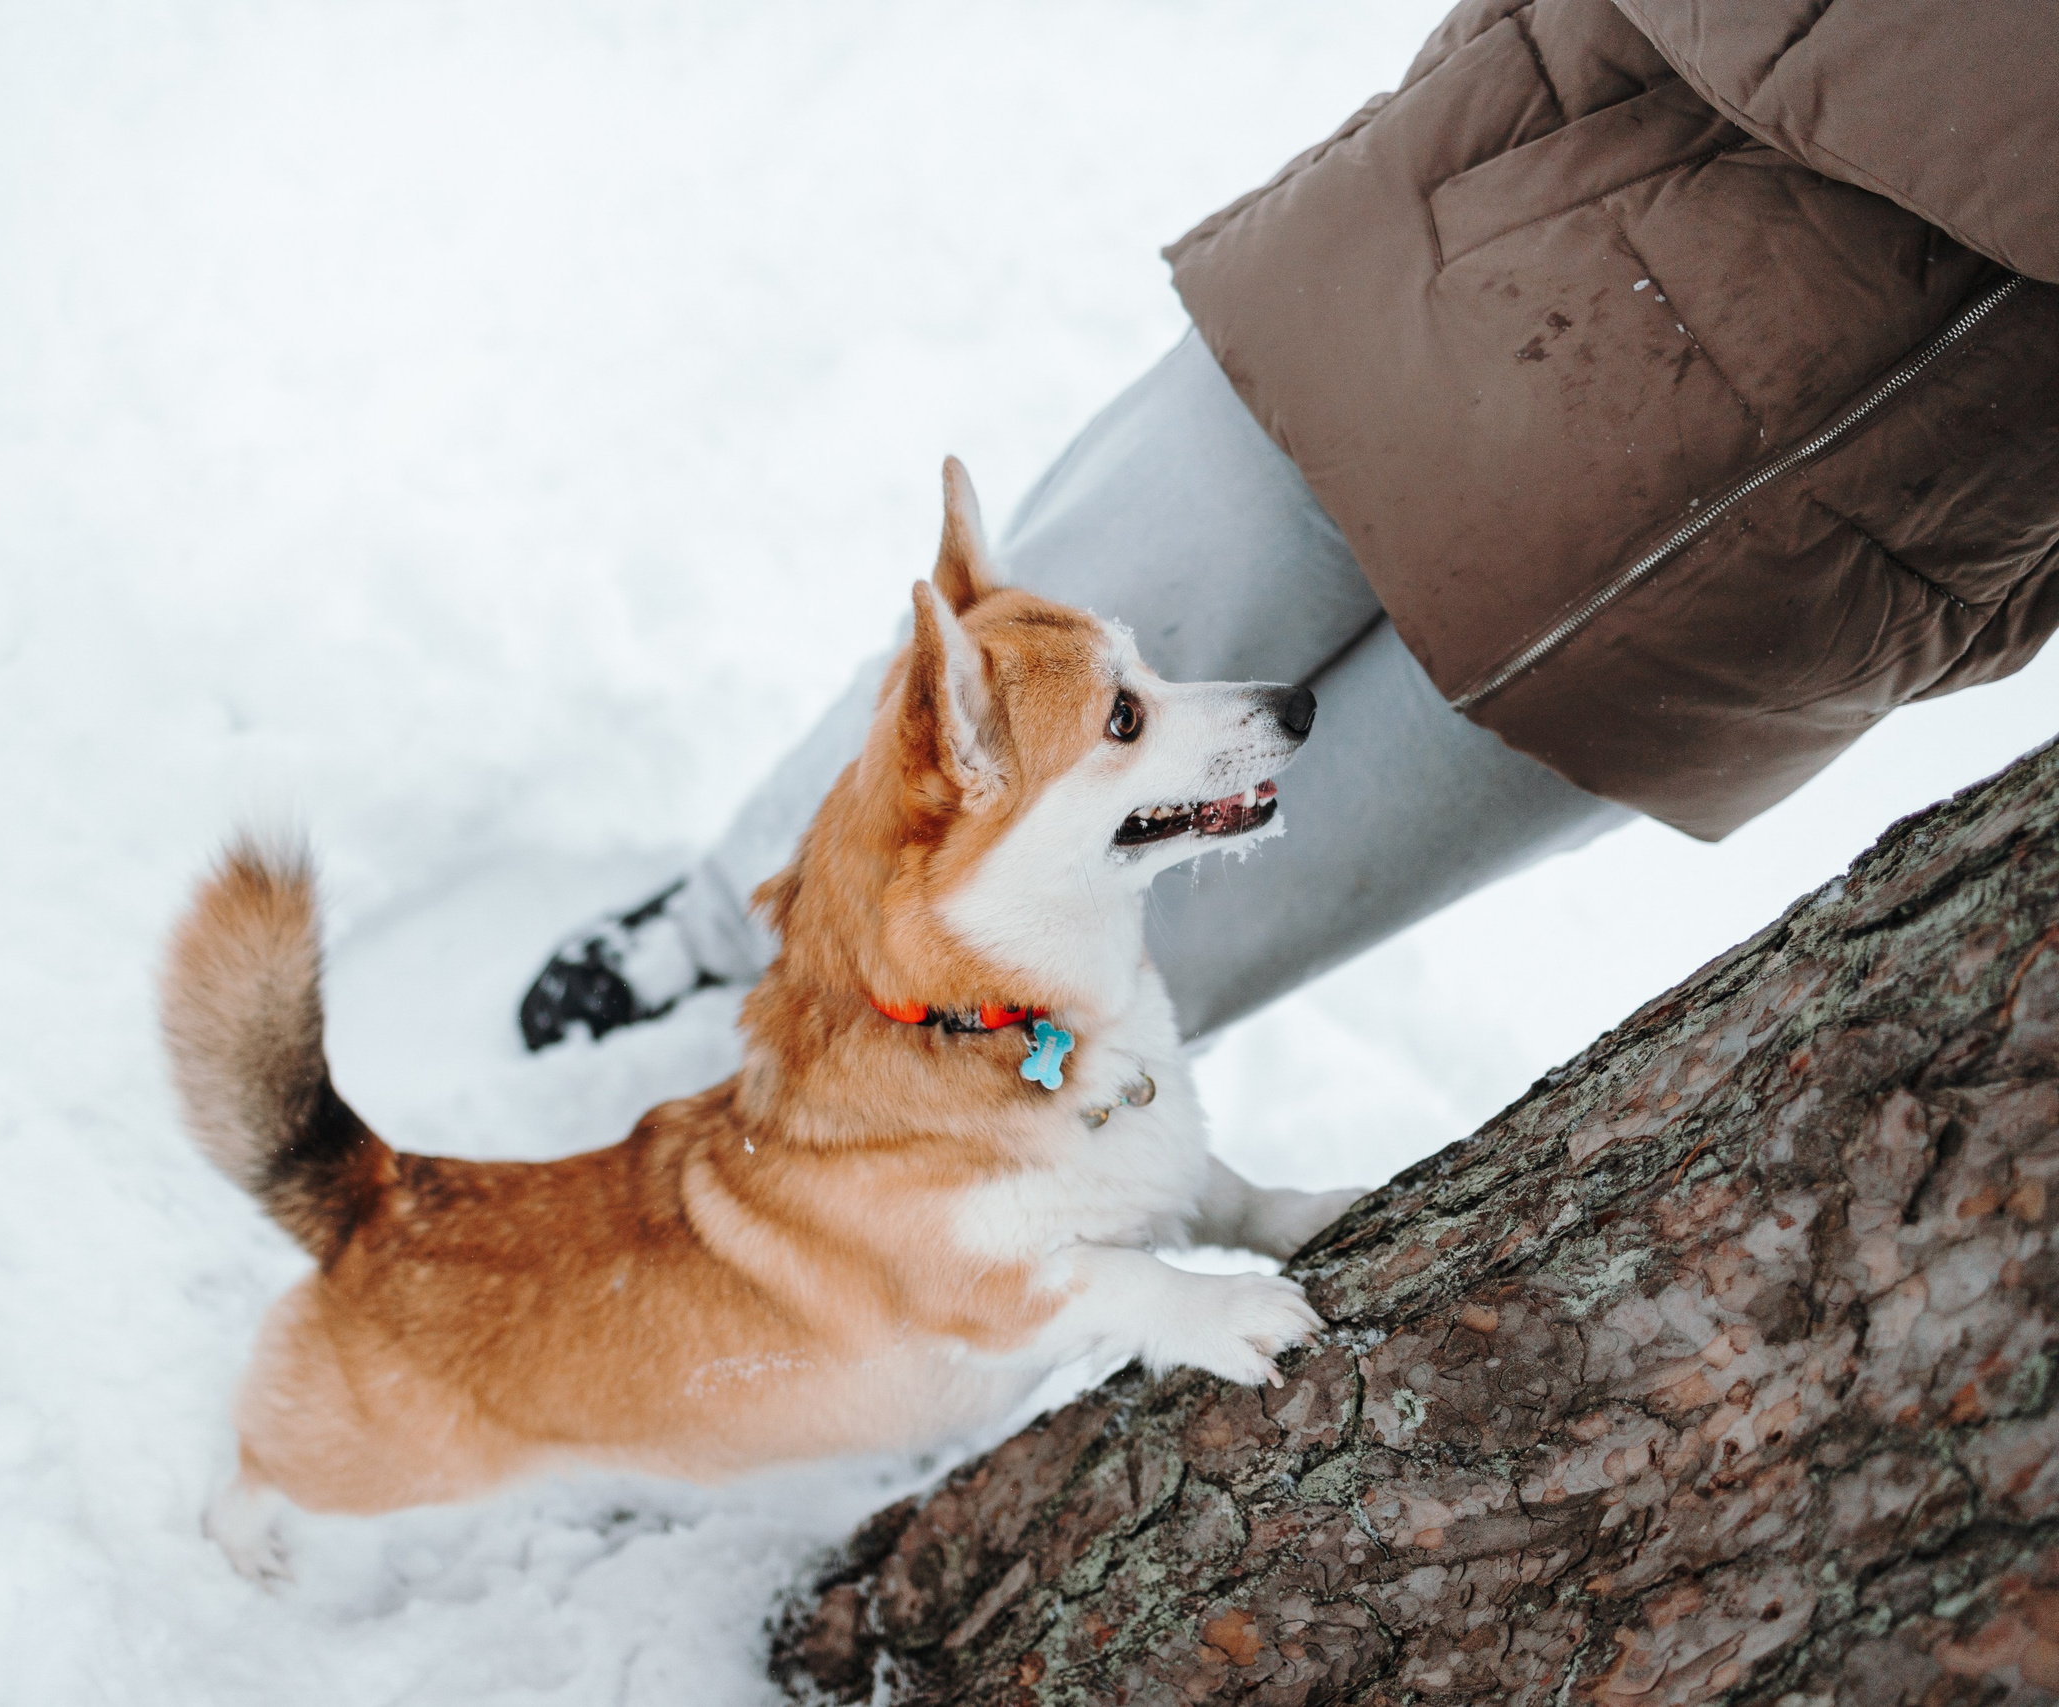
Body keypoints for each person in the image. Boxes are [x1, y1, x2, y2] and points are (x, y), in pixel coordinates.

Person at [521, 0, 2059, 1053]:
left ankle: (827, 1191)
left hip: (1781, 587)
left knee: (1172, 955)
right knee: (1006, 711)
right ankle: (725, 938)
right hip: (1464, 294)